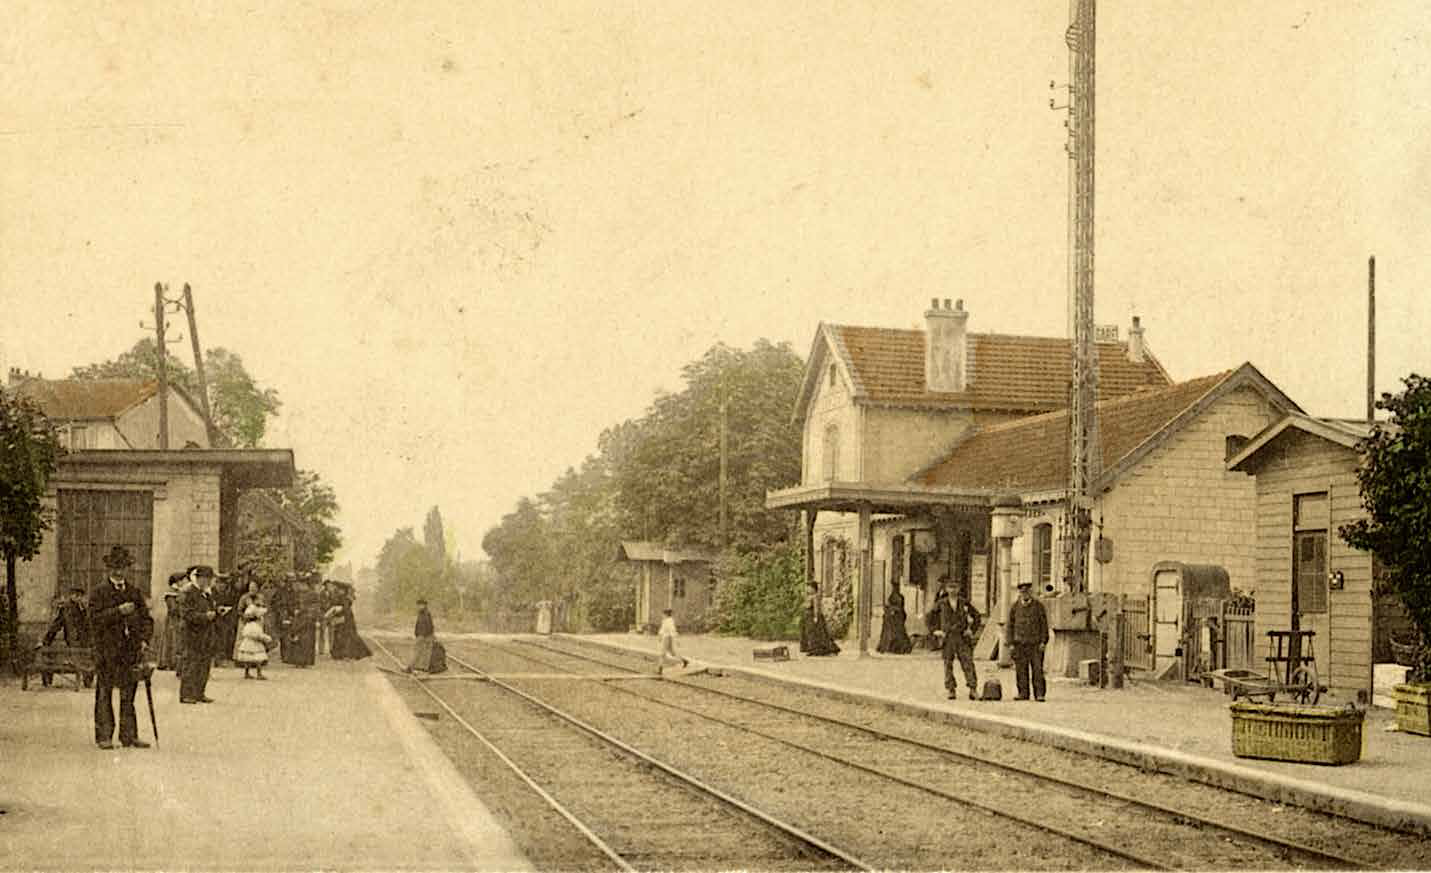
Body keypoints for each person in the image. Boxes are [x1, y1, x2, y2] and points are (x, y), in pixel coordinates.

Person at [87, 545, 154, 749]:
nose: (118, 572)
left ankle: (129, 736)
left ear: (127, 569)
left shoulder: (134, 592)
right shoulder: (99, 592)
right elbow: (93, 620)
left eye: (122, 567)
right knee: (105, 693)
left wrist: (144, 639)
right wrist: (118, 611)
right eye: (115, 567)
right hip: (107, 651)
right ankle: (104, 737)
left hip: (130, 652)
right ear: (109, 569)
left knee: (128, 694)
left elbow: (147, 620)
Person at [179, 565, 227, 704]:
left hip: (206, 634)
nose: (209, 582)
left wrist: (217, 611)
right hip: (192, 634)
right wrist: (205, 616)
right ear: (200, 578)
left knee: (204, 664)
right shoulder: (188, 592)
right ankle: (187, 694)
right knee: (191, 664)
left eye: (209, 579)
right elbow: (186, 614)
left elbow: (210, 610)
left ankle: (199, 692)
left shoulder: (206, 593)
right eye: (207, 579)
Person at [934, 580, 981, 701]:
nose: (952, 590)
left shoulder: (964, 602)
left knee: (968, 663)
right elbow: (930, 618)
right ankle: (951, 689)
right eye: (950, 587)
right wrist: (936, 631)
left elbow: (977, 616)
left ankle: (973, 689)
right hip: (948, 637)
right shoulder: (941, 603)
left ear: (959, 589)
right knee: (948, 664)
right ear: (946, 589)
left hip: (962, 637)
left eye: (955, 587)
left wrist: (972, 630)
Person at [40, 586, 92, 687]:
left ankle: (87, 679)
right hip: (73, 640)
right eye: (75, 595)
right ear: (71, 595)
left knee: (87, 657)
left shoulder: (84, 609)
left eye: (80, 595)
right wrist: (46, 640)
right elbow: (56, 625)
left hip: (84, 641)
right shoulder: (66, 609)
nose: (78, 597)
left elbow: (89, 625)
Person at [1009, 580, 1051, 701]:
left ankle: (1039, 694)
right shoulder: (1015, 607)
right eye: (1022, 591)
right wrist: (1011, 643)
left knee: (1037, 670)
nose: (1025, 593)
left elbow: (1044, 625)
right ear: (1020, 593)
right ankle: (1023, 693)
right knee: (1021, 670)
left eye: (1027, 591)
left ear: (1030, 592)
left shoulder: (1038, 606)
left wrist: (1044, 641)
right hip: (1019, 644)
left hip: (1035, 644)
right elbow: (1010, 626)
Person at [327, 582, 372, 660]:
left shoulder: (345, 598)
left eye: (339, 589)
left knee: (347, 636)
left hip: (346, 619)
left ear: (343, 590)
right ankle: (340, 654)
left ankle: (346, 654)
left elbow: (345, 609)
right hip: (344, 618)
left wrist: (338, 611)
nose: (338, 590)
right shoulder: (342, 597)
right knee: (342, 636)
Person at [799, 583, 840, 656]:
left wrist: (815, 617)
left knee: (818, 634)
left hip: (813, 617)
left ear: (813, 588)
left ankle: (824, 649)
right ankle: (812, 649)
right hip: (808, 618)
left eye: (809, 587)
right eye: (807, 588)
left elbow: (816, 607)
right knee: (810, 634)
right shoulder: (809, 596)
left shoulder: (815, 597)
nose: (807, 589)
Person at [157, 571, 187, 673]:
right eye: (182, 580)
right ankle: (169, 662)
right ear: (177, 581)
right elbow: (173, 608)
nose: (184, 582)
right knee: (172, 639)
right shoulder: (170, 593)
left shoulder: (179, 592)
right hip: (173, 620)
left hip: (178, 619)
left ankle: (176, 663)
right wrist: (181, 606)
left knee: (178, 640)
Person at [406, 598, 445, 673]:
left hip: (424, 635)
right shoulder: (421, 613)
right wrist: (417, 633)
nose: (419, 606)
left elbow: (429, 625)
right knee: (422, 652)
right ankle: (419, 667)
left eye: (421, 605)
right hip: (422, 635)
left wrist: (426, 635)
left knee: (420, 652)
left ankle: (412, 667)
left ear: (424, 605)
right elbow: (419, 625)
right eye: (418, 605)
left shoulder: (426, 613)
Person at [235, 604, 273, 680]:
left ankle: (247, 672)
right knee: (258, 659)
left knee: (248, 659)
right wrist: (266, 638)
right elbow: (257, 635)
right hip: (254, 644)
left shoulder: (247, 625)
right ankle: (259, 674)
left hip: (247, 643)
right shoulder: (254, 625)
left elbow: (245, 633)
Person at [875, 585, 913, 654]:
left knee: (898, 633)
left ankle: (897, 647)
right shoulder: (893, 597)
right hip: (892, 619)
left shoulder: (899, 597)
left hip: (897, 619)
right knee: (890, 631)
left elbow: (900, 609)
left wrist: (893, 610)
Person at [655, 608, 688, 675]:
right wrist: (660, 636)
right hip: (665, 637)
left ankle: (660, 669)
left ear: (666, 614)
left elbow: (672, 630)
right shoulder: (665, 621)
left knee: (662, 653)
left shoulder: (670, 621)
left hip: (667, 638)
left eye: (663, 614)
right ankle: (684, 661)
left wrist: (676, 640)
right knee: (672, 652)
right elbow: (662, 629)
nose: (662, 615)